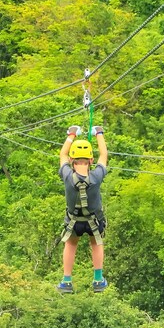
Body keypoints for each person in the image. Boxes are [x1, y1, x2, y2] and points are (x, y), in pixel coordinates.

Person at [57, 125, 108, 294]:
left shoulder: (67, 175)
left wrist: (71, 134)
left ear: (72, 160)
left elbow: (62, 154)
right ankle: (98, 280)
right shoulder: (96, 176)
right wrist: (99, 133)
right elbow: (104, 155)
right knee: (96, 243)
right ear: (91, 160)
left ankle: (66, 281)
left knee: (71, 244)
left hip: (74, 221)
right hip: (94, 220)